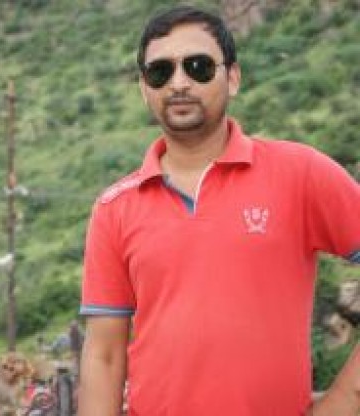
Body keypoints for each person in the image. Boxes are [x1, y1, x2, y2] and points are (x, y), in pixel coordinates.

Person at [77, 5, 360, 416]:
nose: (179, 83)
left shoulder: (300, 174)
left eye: (198, 67)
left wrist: (343, 401)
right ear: (144, 88)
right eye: (160, 71)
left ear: (233, 77)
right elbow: (103, 355)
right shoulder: (115, 208)